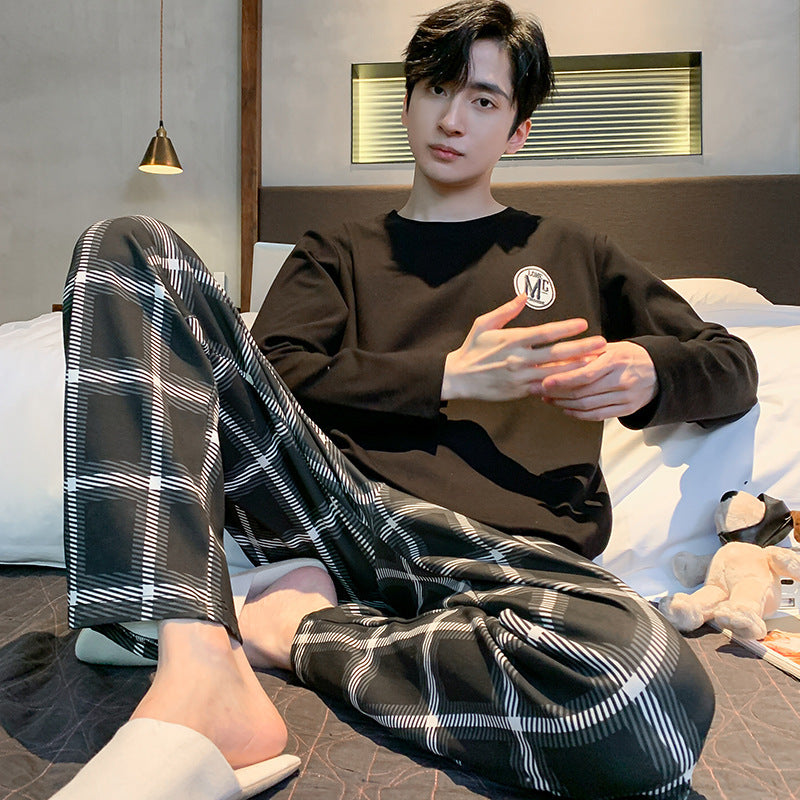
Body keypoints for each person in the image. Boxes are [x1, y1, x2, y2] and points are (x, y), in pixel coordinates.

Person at [52, 2, 757, 799]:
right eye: (437, 89)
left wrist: (650, 369)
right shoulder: (338, 251)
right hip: (340, 515)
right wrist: (446, 377)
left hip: (509, 568)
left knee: (650, 687)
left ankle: (297, 628)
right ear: (407, 103)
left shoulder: (576, 253)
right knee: (122, 246)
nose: (453, 119)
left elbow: (731, 366)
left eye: (483, 100)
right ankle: (197, 662)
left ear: (518, 131)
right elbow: (273, 377)